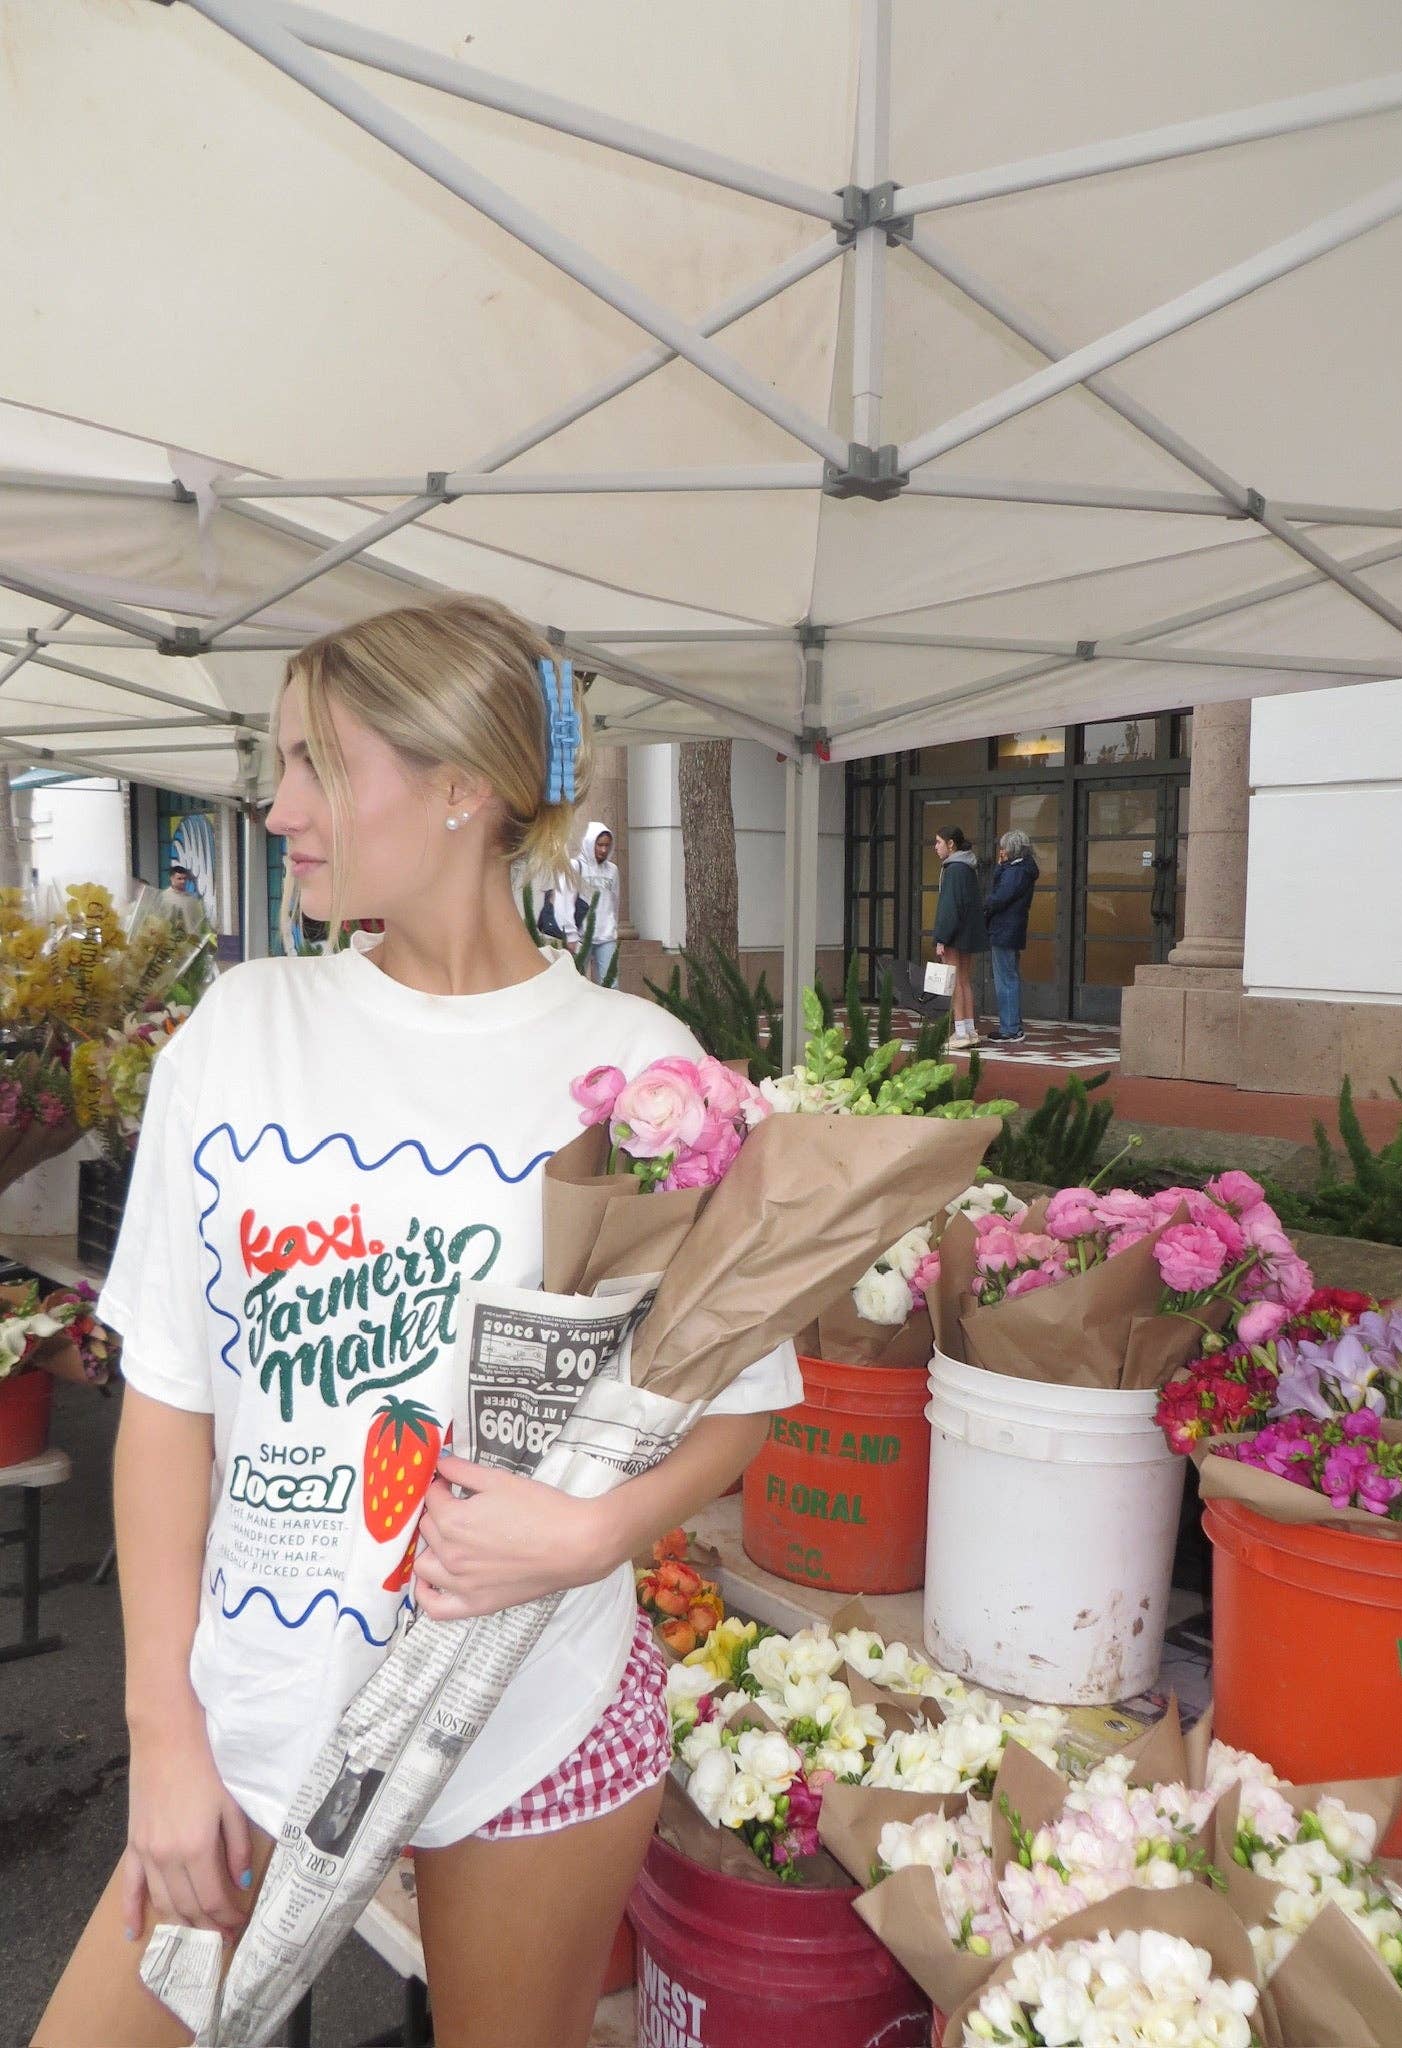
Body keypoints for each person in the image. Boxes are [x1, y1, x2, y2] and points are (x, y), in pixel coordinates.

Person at [37, 594, 802, 2048]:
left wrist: (594, 1532)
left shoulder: (637, 1068)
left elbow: (744, 1389)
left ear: (461, 785)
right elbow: (170, 1400)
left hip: (535, 1701)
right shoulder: (242, 1031)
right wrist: (162, 1734)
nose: (278, 808)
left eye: (316, 763)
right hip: (258, 1706)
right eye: (279, 764)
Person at [932, 824, 987, 1052]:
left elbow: (949, 907)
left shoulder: (953, 869)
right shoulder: (968, 867)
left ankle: (961, 1032)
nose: (936, 847)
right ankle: (970, 1030)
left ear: (951, 844)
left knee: (954, 982)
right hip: (968, 932)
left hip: (954, 934)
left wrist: (941, 938)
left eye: (938, 842)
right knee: (964, 980)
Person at [983, 829, 1040, 1045]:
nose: (1001, 851)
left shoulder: (1016, 872)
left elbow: (999, 896)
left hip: (1004, 930)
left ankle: (1010, 1029)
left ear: (1012, 849)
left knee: (1005, 979)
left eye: (1004, 847)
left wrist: (984, 906)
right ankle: (1012, 1026)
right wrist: (1000, 867)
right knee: (1009, 976)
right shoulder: (1021, 869)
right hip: (1010, 929)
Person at [573, 820, 621, 983]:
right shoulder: (577, 867)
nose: (603, 850)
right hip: (581, 935)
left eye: (607, 845)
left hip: (606, 936)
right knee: (577, 982)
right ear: (590, 843)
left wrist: (613, 925)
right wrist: (570, 932)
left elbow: (615, 900)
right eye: (599, 845)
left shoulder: (612, 870)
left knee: (611, 984)